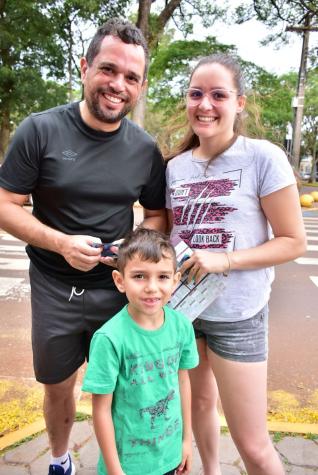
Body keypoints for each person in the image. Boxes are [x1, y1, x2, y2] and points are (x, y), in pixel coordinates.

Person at [0, 18, 167, 475]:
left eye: (131, 77)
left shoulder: (145, 149)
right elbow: (5, 203)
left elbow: (157, 216)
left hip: (118, 292)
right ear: (84, 67)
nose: (118, 85)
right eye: (108, 70)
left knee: (125, 388)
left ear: (141, 85)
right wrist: (61, 244)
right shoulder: (40, 130)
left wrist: (131, 246)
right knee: (58, 386)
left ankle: (126, 464)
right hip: (54, 287)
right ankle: (59, 459)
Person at [165, 53, 307, 475]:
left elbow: (292, 241)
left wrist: (224, 259)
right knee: (201, 406)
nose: (204, 104)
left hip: (238, 314)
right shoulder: (174, 167)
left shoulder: (262, 157)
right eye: (195, 94)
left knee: (252, 443)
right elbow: (174, 234)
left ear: (239, 103)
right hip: (184, 312)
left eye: (218, 95)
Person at [82, 227, 199, 475]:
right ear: (120, 281)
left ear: (175, 280)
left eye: (163, 277)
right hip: (127, 465)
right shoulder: (109, 339)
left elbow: (182, 382)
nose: (152, 288)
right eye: (139, 276)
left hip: (170, 457)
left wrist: (186, 442)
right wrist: (115, 470)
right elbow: (101, 410)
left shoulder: (182, 326)